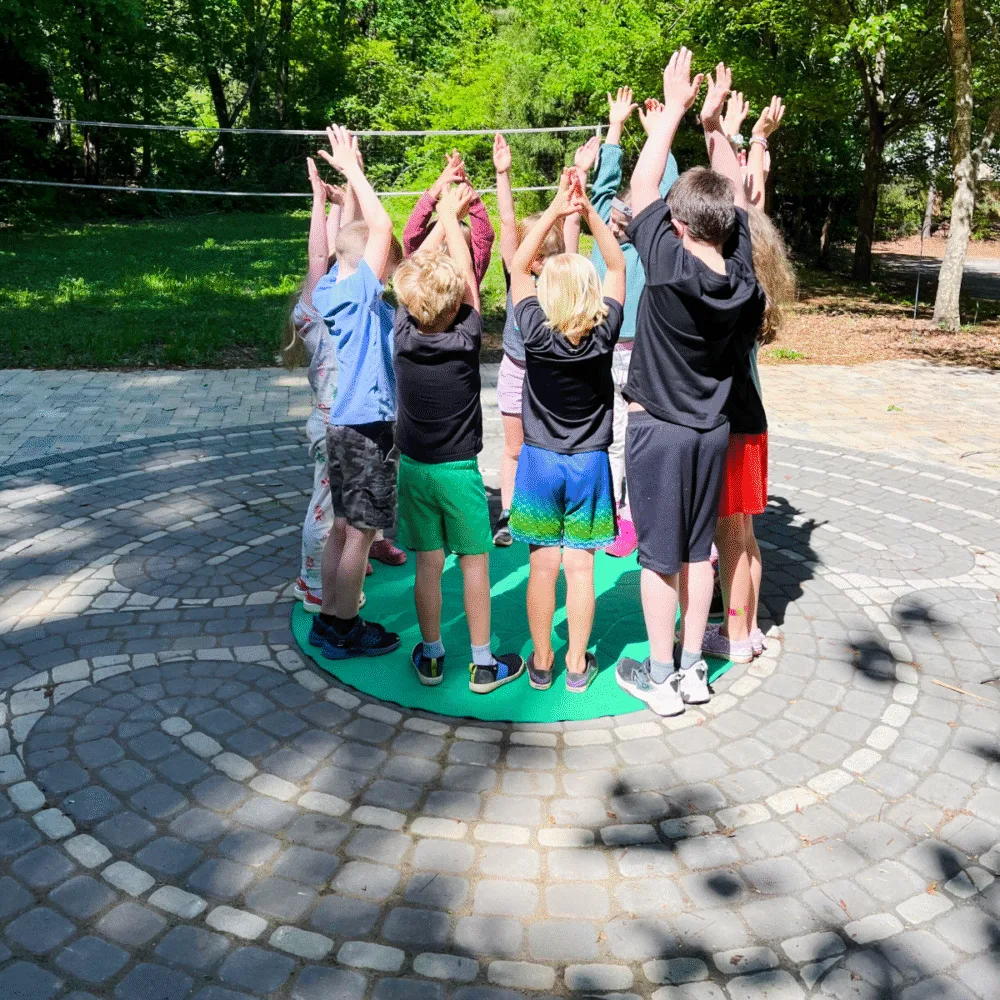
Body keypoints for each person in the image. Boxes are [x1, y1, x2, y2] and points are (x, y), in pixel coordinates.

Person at [614, 51, 766, 716]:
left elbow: (643, 190)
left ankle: (657, 674)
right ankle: (696, 670)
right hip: (712, 433)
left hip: (658, 433)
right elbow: (732, 202)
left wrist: (672, 113)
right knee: (699, 551)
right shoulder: (745, 277)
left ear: (676, 226)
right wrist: (721, 132)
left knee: (658, 557)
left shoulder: (669, 267)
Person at [393, 185, 525, 693]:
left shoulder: (402, 335)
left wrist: (439, 212)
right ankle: (483, 663)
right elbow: (469, 281)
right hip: (459, 474)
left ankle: (430, 656)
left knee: (428, 563)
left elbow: (416, 269)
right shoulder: (467, 335)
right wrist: (453, 219)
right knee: (474, 564)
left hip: (415, 470)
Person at [508, 168, 627, 693]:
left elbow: (516, 265)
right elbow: (619, 262)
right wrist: (590, 212)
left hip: (537, 462)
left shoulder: (533, 330)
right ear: (592, 292)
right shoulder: (605, 332)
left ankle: (541, 661)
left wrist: (558, 208)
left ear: (546, 294)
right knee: (580, 569)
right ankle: (578, 667)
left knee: (542, 567)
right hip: (590, 464)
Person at [308, 124, 404, 661]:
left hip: (342, 424)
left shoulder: (330, 286)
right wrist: (354, 171)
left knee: (343, 528)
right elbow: (381, 228)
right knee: (363, 533)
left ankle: (328, 620)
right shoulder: (365, 293)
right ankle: (345, 627)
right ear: (369, 263)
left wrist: (338, 202)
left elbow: (348, 240)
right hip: (367, 427)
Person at [704, 95, 794, 663]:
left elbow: (734, 207)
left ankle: (736, 635)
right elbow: (746, 204)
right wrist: (749, 140)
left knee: (728, 537)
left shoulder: (730, 292)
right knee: (746, 533)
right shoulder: (756, 287)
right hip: (751, 420)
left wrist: (718, 129)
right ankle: (750, 625)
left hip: (730, 424)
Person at [573, 88, 680, 559]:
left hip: (640, 353)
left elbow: (665, 191)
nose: (619, 213)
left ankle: (632, 517)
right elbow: (602, 188)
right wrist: (614, 130)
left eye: (628, 208)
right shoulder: (602, 245)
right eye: (614, 209)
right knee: (607, 438)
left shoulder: (651, 245)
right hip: (602, 349)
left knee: (631, 439)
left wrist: (661, 137)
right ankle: (608, 514)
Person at [492, 133, 575, 547]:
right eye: (532, 254)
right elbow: (507, 223)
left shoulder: (565, 275)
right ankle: (508, 514)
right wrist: (502, 175)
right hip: (515, 369)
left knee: (550, 446)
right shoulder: (519, 276)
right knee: (514, 446)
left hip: (550, 374)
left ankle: (549, 510)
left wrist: (571, 195)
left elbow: (570, 227)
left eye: (543, 254)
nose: (537, 262)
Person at [284, 157, 352, 614]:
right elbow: (319, 256)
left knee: (338, 507)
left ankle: (337, 567)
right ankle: (310, 583)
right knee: (324, 509)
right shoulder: (319, 310)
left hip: (341, 423)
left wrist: (336, 201)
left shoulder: (323, 310)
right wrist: (318, 201)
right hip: (332, 427)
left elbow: (334, 250)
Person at [402, 149, 495, 289]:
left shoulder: (469, 276)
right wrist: (440, 185)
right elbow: (411, 236)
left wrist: (467, 195)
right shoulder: (418, 277)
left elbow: (484, 238)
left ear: (469, 249)